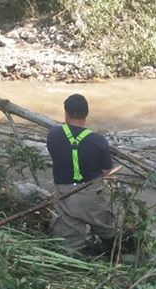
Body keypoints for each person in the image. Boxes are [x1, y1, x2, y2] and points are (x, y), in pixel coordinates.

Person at [46, 94, 118, 255]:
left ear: (66, 112)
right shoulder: (98, 141)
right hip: (91, 193)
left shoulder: (53, 135)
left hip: (64, 194)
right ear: (86, 114)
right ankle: (112, 252)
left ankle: (79, 255)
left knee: (68, 243)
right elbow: (107, 172)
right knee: (106, 227)